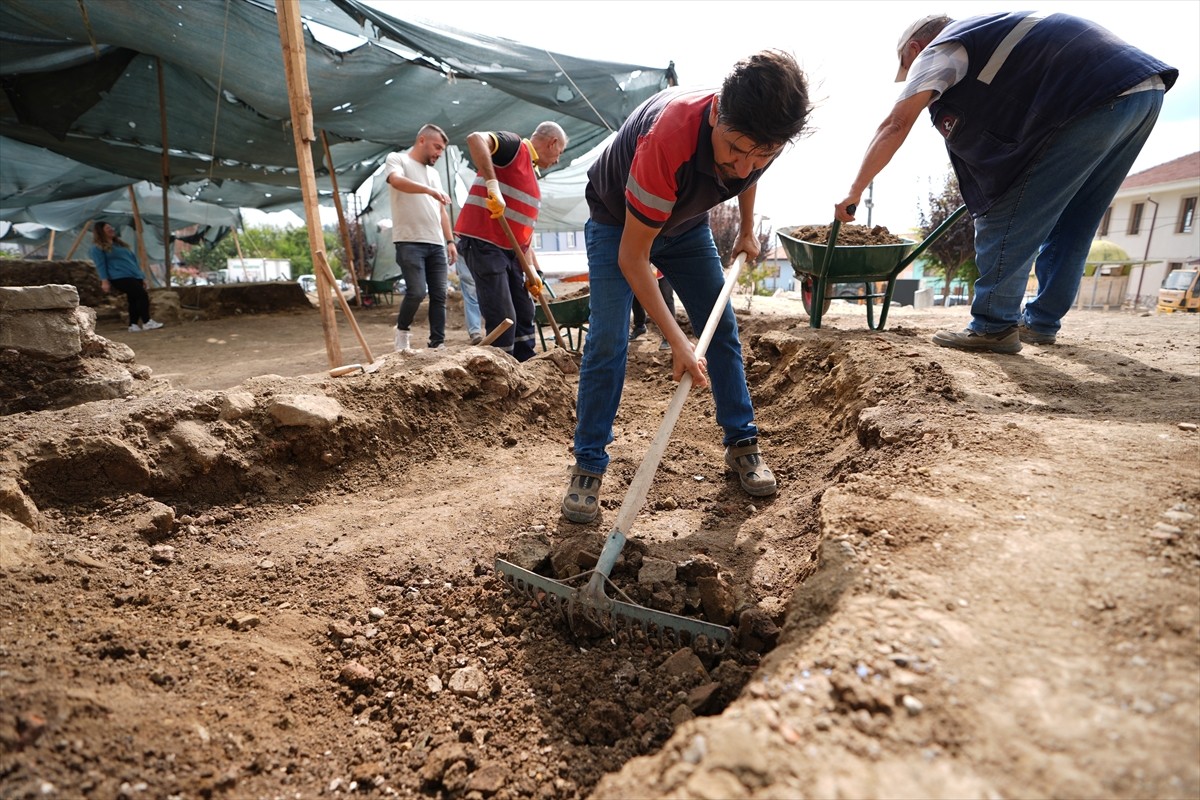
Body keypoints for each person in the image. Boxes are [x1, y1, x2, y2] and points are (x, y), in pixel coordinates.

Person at [561, 50, 811, 524]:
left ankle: (742, 444)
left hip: (686, 220)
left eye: (762, 154)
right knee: (609, 338)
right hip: (619, 221)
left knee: (723, 329)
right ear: (717, 112)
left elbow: (747, 174)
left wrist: (746, 227)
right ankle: (589, 465)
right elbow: (633, 258)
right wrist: (677, 340)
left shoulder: (761, 136)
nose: (744, 165)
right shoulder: (669, 140)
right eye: (735, 149)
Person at [836, 12, 1177, 354]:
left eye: (907, 68)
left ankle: (993, 326)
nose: (912, 79)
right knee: (1076, 220)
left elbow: (895, 124)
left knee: (1006, 213)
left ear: (915, 47)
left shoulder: (941, 48)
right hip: (1142, 92)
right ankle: (1041, 322)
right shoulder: (994, 38)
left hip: (1093, 98)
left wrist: (855, 190)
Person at [453, 121, 568, 362]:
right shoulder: (514, 147)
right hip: (484, 243)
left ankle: (526, 364)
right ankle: (501, 369)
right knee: (504, 316)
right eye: (560, 152)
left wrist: (533, 272)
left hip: (511, 252)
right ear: (552, 142)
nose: (558, 159)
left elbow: (522, 236)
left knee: (525, 312)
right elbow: (476, 138)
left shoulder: (532, 178)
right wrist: (492, 184)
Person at [385, 123, 458, 351]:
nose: (438, 153)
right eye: (436, 147)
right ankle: (402, 332)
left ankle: (438, 343)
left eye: (442, 150)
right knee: (417, 291)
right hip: (409, 240)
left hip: (436, 243)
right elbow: (396, 180)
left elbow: (441, 211)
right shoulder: (397, 160)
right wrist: (428, 190)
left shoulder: (434, 174)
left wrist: (450, 241)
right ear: (422, 141)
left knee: (439, 295)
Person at [89, 221, 163, 333]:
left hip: (134, 275)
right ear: (101, 231)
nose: (112, 229)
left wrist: (141, 276)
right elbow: (100, 265)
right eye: (108, 228)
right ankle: (147, 321)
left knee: (133, 299)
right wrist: (104, 280)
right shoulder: (98, 248)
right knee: (142, 295)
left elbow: (133, 261)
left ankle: (133, 325)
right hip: (119, 276)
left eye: (111, 227)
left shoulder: (121, 245)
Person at [630, 269, 676, 351]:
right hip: (643, 263)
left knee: (666, 296)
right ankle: (639, 326)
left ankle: (670, 338)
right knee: (634, 291)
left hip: (663, 262)